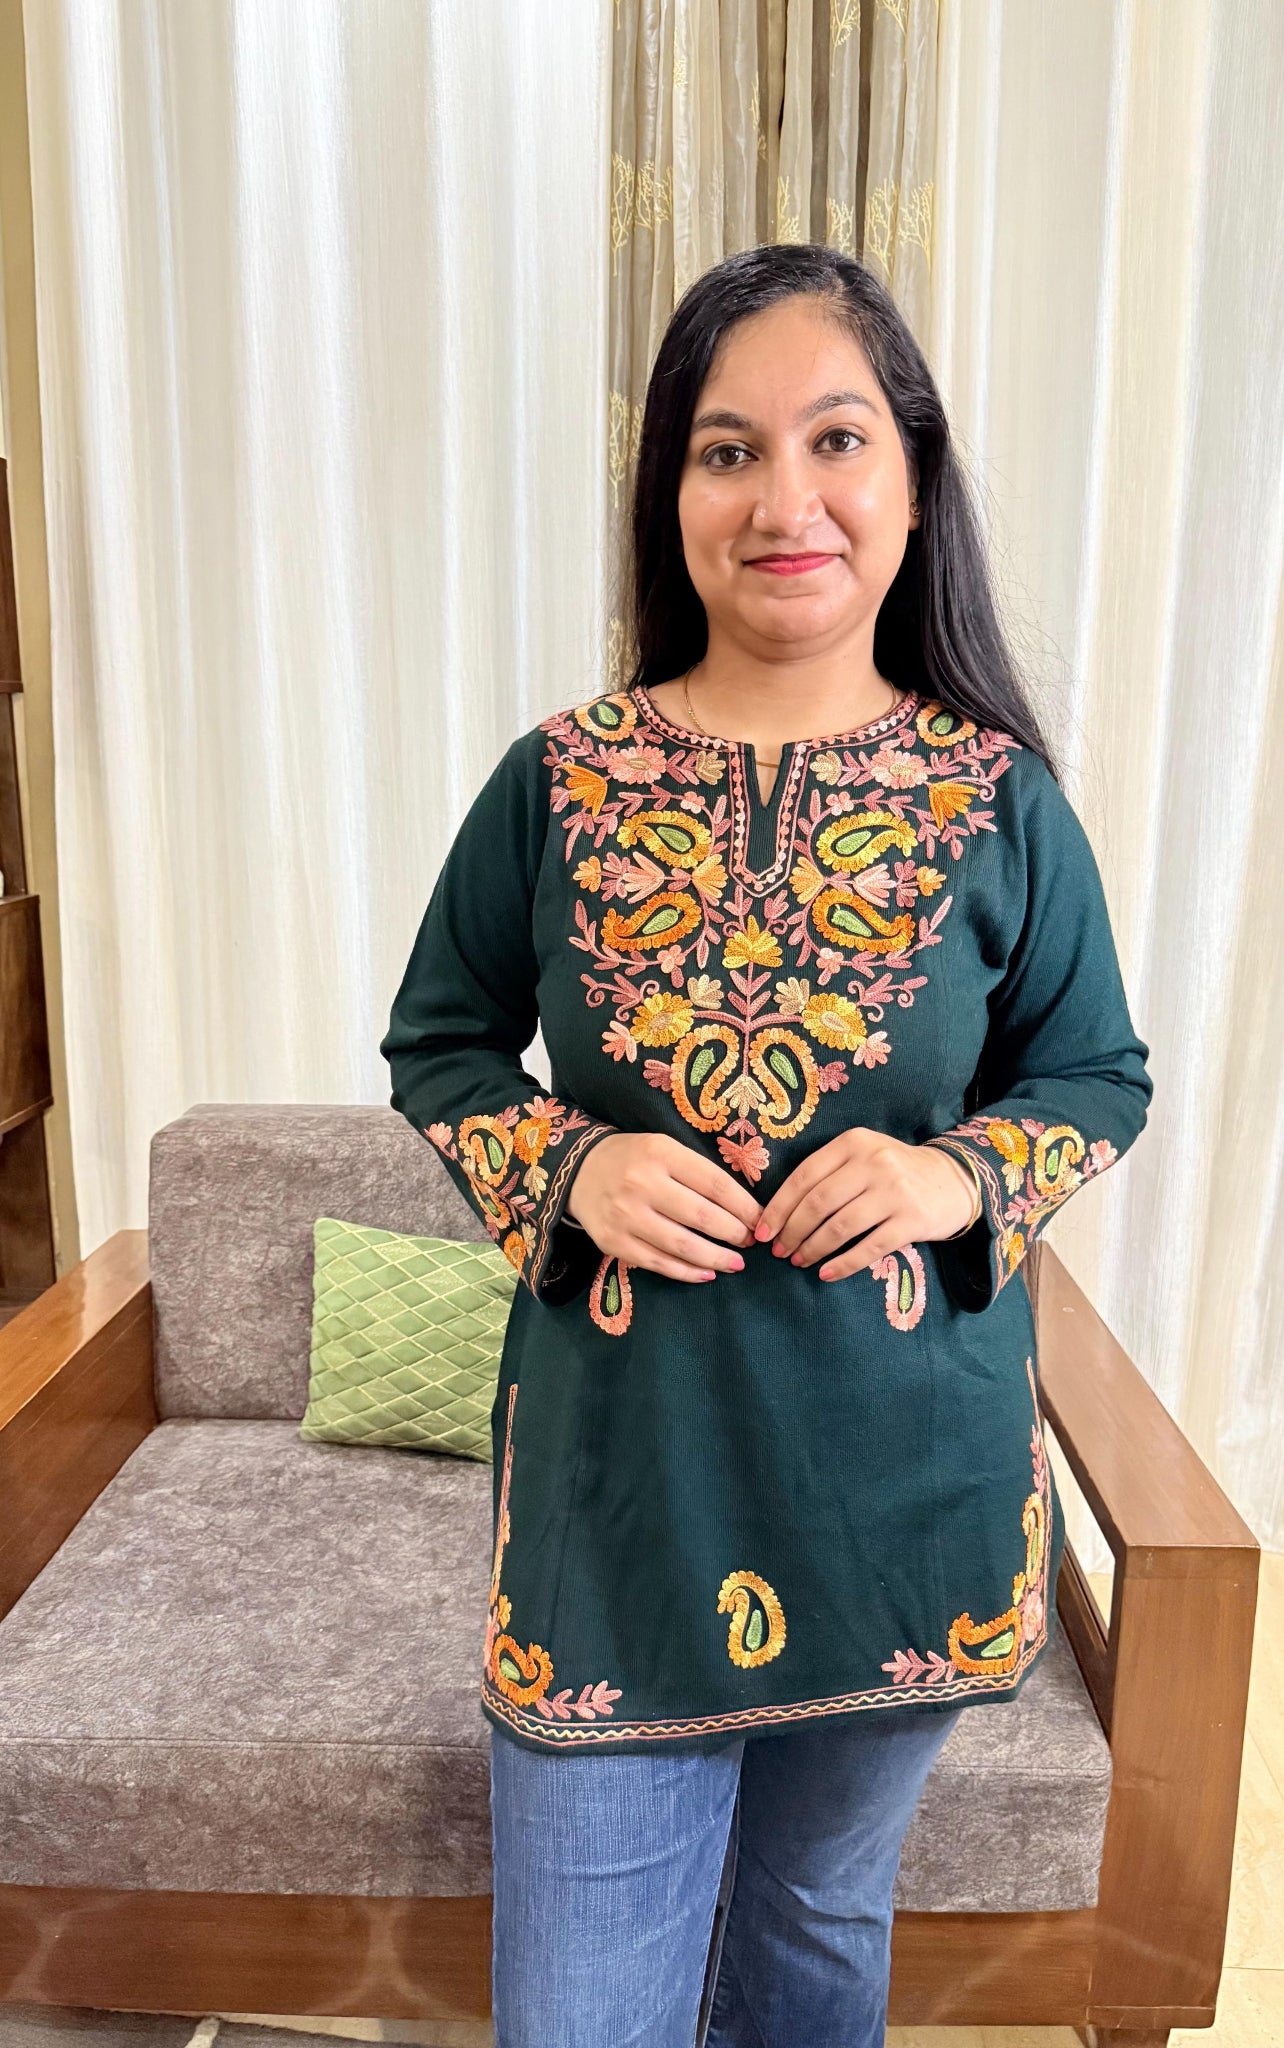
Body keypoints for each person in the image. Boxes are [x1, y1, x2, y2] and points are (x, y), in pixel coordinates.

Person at [380, 242, 1154, 2048]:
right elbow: (438, 1043)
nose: (783, 496)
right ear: (671, 496)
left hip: (903, 1499)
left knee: (814, 1949)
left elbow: (1096, 1075)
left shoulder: (998, 803)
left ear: (910, 479)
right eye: (726, 450)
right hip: (618, 1503)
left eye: (835, 439)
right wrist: (566, 1166)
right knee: (583, 2010)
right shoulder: (557, 784)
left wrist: (953, 1173)